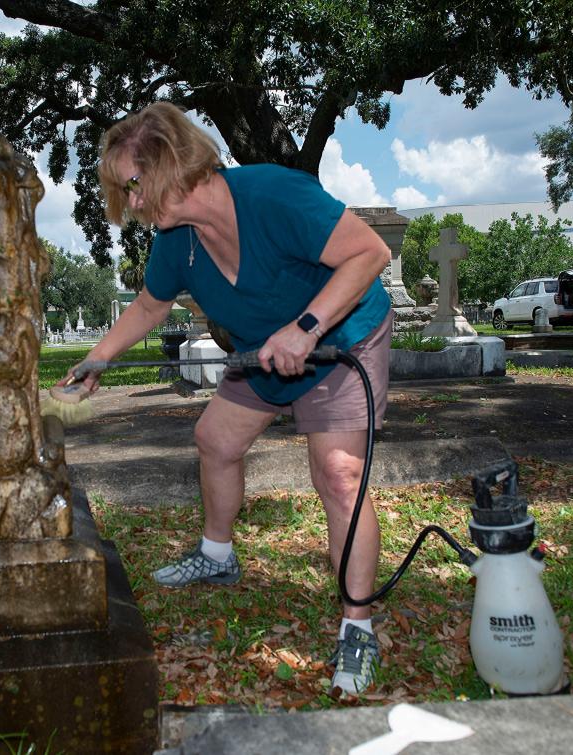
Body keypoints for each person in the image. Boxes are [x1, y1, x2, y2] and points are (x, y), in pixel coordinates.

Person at [59, 102, 393, 694]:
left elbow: (370, 253)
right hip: (265, 348)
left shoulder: (274, 194)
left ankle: (357, 628)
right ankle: (217, 556)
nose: (130, 205)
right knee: (215, 440)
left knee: (339, 475)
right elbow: (149, 306)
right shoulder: (176, 241)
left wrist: (307, 326)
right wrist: (98, 360)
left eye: (133, 187)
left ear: (170, 165)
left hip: (339, 339)